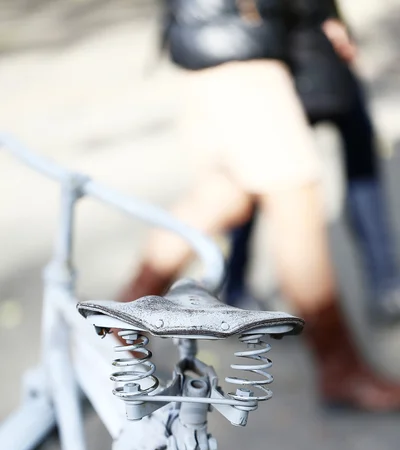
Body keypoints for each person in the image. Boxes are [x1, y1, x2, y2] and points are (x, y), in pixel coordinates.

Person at [119, 0, 400, 411]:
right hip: (241, 44)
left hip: (218, 39)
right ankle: (341, 370)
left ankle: (118, 328)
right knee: (295, 199)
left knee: (224, 194)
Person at [225, 0, 400, 323]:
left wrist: (333, 19)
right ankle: (233, 284)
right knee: (260, 188)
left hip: (304, 58)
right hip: (275, 68)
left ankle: (385, 282)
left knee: (260, 183)